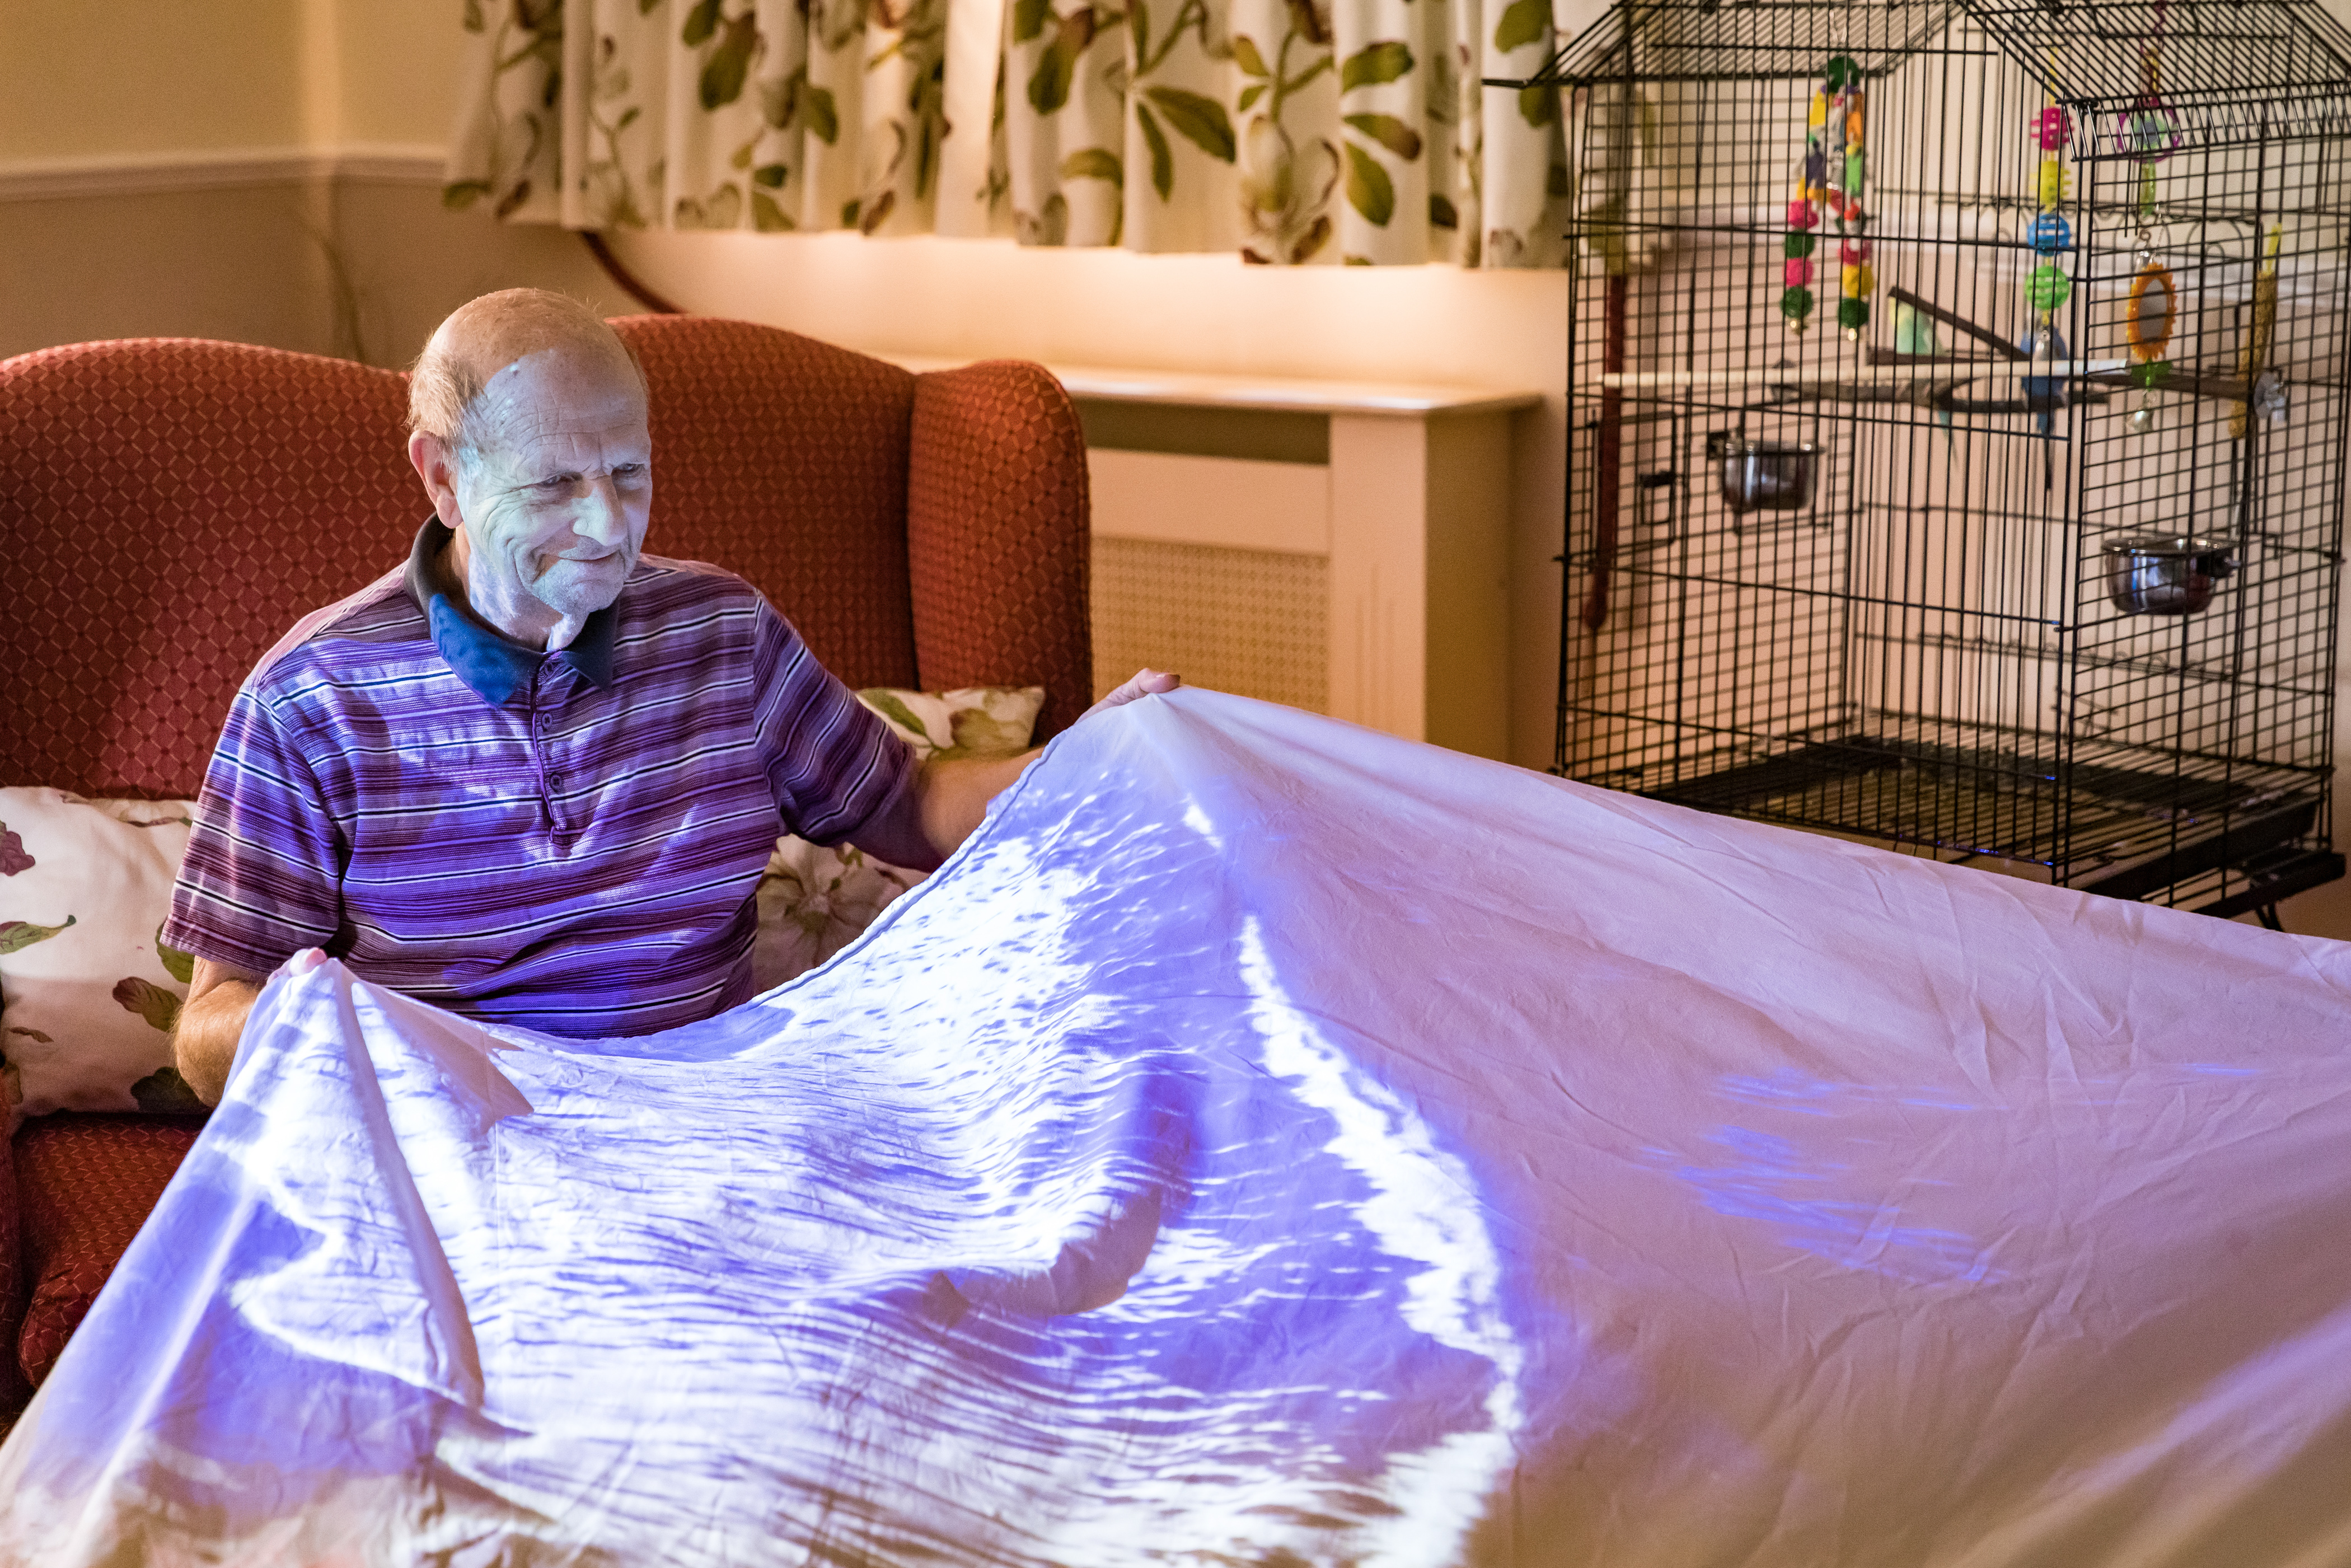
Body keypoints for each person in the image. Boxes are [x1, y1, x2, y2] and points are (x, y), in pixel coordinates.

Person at [165, 289, 1173, 1103]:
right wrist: (313, 1024)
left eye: (630, 473)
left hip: (702, 1130)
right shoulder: (312, 698)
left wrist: (1093, 761)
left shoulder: (720, 632)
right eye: (556, 484)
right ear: (442, 476)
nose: (608, 524)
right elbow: (207, 1029)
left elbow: (906, 803)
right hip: (458, 1154)